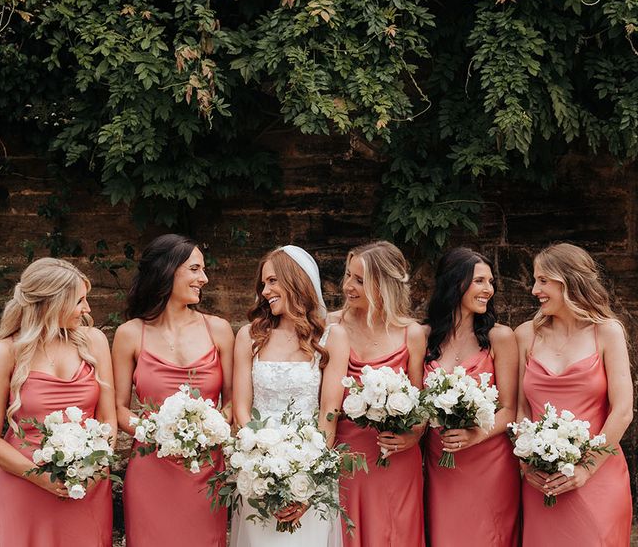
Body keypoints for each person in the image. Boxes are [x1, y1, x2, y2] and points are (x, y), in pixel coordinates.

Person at [0, 258, 115, 546]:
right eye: (80, 301)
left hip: (86, 484)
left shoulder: (94, 341)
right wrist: (40, 477)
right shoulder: (5, 352)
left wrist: (97, 467)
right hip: (26, 482)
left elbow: (108, 420)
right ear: (53, 303)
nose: (87, 309)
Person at [112, 234, 234, 547]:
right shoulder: (129, 334)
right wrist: (156, 431)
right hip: (151, 469)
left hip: (205, 469)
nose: (203, 279)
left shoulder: (218, 329)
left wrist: (204, 432)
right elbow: (117, 408)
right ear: (168, 270)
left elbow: (233, 403)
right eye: (195, 269)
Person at [230, 245, 350, 547]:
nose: (264, 290)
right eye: (263, 283)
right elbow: (242, 410)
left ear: (294, 280)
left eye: (272, 281)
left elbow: (329, 414)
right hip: (258, 470)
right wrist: (260, 464)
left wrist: (307, 481)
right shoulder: (249, 335)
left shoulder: (332, 337)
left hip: (309, 467)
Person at [515, 243, 633, 546]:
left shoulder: (607, 331)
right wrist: (527, 467)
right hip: (543, 481)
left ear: (568, 281)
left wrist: (586, 469)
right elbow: (521, 411)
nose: (533, 289)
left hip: (598, 477)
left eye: (542, 280)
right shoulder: (525, 334)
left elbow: (622, 411)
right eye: (535, 280)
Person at [330, 241, 426, 547]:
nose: (348, 286)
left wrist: (414, 435)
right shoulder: (331, 325)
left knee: (395, 533)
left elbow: (421, 401)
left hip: (396, 457)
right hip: (348, 457)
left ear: (383, 284)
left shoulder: (410, 332)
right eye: (347, 276)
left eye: (359, 280)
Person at [422, 247, 520, 546]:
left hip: (489, 461)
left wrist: (474, 434)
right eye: (479, 281)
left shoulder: (499, 338)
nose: (488, 290)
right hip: (442, 463)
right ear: (455, 283)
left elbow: (510, 409)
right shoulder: (425, 337)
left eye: (491, 282)